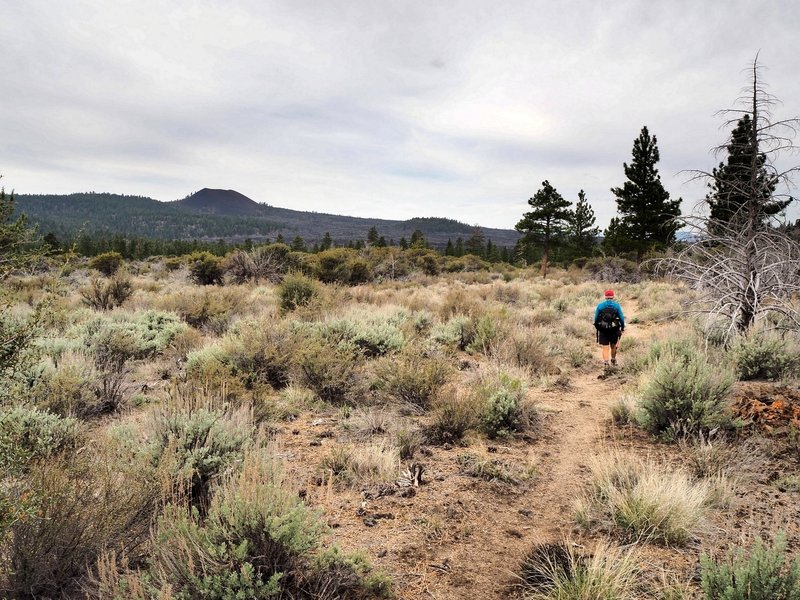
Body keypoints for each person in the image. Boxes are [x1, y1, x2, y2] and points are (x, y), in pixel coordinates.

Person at [593, 289, 625, 367]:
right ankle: (613, 359)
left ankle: (606, 363)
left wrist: (598, 326)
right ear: (613, 296)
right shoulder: (616, 306)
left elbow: (596, 318)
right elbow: (621, 318)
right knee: (613, 346)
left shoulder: (600, 305)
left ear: (605, 297)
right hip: (614, 329)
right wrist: (622, 327)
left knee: (605, 347)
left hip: (603, 329)